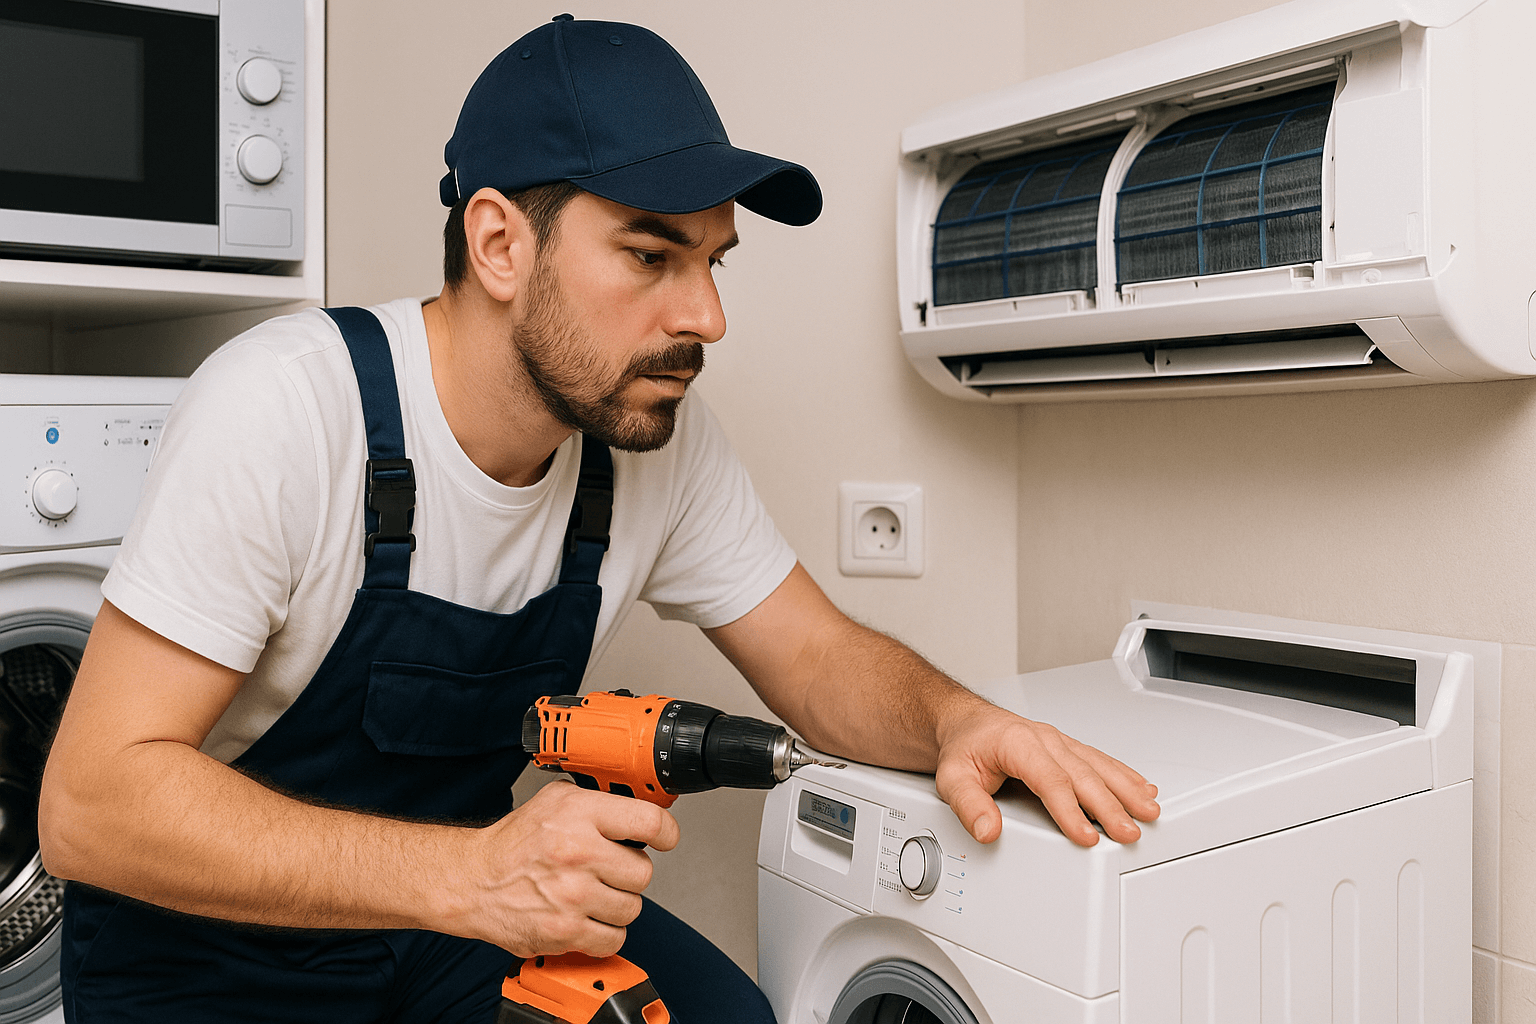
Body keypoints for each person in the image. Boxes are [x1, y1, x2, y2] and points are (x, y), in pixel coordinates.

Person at [37, 14, 1160, 1023]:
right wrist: (471, 877)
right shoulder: (286, 408)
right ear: (498, 245)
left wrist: (957, 722)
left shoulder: (645, 440)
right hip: (205, 955)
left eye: (714, 260)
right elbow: (90, 806)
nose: (707, 315)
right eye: (650, 254)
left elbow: (816, 658)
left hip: (450, 927)